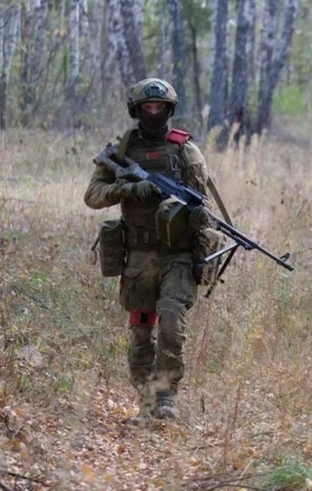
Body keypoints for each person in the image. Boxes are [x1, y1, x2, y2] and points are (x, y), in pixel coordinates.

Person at [84, 78, 217, 422]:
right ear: (137, 110)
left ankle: (166, 397)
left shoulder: (186, 151)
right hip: (139, 257)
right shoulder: (122, 149)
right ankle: (146, 399)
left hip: (178, 254)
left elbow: (203, 208)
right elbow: (93, 195)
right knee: (142, 332)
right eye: (148, 108)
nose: (154, 113)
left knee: (172, 323)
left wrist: (200, 226)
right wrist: (127, 190)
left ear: (169, 110)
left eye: (160, 108)